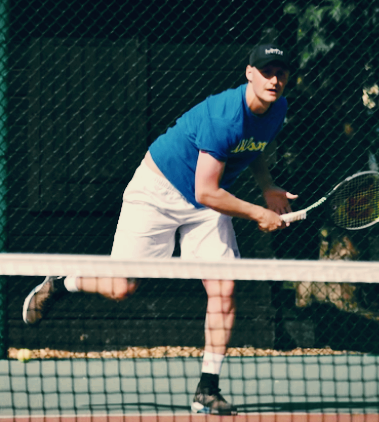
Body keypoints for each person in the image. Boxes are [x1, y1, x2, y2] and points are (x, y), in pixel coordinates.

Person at [22, 43, 296, 415]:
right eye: (266, 72)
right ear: (249, 73)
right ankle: (61, 282)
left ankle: (207, 389)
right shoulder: (224, 115)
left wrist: (267, 186)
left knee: (224, 287)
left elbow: (253, 145)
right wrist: (258, 214)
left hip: (206, 201)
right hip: (160, 189)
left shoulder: (277, 108)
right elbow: (206, 190)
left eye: (281, 72)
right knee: (122, 287)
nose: (274, 79)